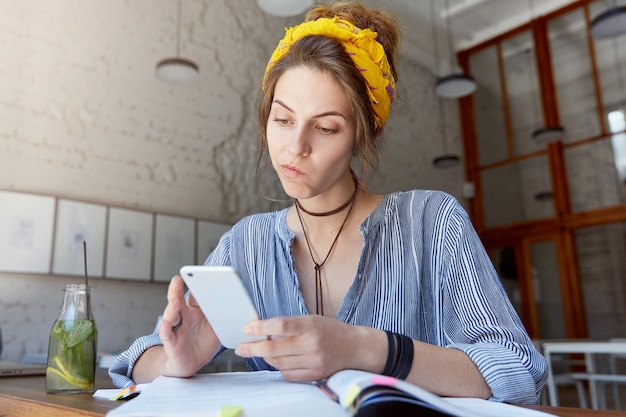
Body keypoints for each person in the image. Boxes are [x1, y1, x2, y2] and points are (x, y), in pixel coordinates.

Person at [109, 1, 547, 404]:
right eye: (282, 120)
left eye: (326, 128)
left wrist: (363, 348)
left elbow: (517, 369)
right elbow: (134, 360)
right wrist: (176, 362)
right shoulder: (247, 243)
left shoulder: (431, 222)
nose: (294, 147)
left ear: (361, 137)